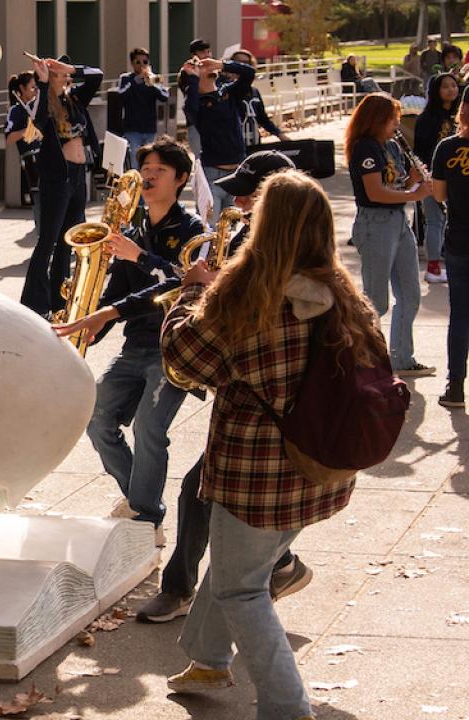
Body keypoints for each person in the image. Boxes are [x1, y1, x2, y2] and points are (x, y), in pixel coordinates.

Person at [159, 170, 386, 720]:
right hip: (322, 464)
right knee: (242, 565)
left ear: (265, 224)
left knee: (242, 588)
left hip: (255, 474)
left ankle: (287, 705)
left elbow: (183, 361)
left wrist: (192, 290)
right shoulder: (341, 291)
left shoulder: (248, 294)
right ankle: (210, 659)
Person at [131, 152, 314, 623]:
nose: (236, 197)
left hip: (270, 408)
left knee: (205, 492)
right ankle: (276, 570)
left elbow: (224, 329)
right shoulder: (250, 239)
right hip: (260, 403)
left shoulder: (284, 257)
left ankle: (185, 594)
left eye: (247, 190)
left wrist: (199, 291)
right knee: (217, 498)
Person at [54, 136, 204, 546]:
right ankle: (142, 502)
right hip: (134, 346)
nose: (150, 176)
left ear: (182, 179)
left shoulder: (194, 231)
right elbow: (117, 291)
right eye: (147, 170)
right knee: (96, 415)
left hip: (172, 347)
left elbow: (179, 282)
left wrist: (139, 257)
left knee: (149, 426)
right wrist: (86, 322)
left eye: (160, 170)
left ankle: (145, 517)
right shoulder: (133, 229)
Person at [345, 93, 437, 377]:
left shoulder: (392, 146)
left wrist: (414, 178)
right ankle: (357, 357)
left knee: (410, 294)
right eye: (392, 118)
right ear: (376, 120)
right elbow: (375, 192)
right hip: (375, 223)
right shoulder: (365, 149)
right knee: (376, 300)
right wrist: (413, 194)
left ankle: (402, 358)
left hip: (398, 221)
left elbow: (396, 183)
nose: (397, 124)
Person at [19, 54, 104, 319]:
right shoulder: (40, 101)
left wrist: (70, 67)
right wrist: (44, 82)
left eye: (67, 74)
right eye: (62, 74)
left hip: (78, 175)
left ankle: (59, 299)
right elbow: (41, 122)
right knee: (48, 241)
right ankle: (34, 302)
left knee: (68, 241)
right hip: (57, 178)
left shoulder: (74, 98)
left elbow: (96, 75)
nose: (67, 78)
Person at [181, 54, 255, 219]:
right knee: (210, 231)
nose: (204, 66)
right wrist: (192, 78)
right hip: (212, 176)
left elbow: (249, 73)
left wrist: (221, 64)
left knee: (229, 232)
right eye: (198, 67)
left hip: (236, 175)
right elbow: (190, 108)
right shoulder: (197, 103)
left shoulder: (229, 93)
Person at [430, 94, 469, 407]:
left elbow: (439, 195)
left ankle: (455, 385)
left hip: (459, 238)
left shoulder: (446, 147)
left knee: (460, 314)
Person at [414, 73, 460, 283]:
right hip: (434, 177)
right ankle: (433, 267)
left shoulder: (460, 116)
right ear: (435, 91)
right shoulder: (427, 119)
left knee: (451, 221)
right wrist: (427, 177)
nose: (451, 89)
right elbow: (420, 151)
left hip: (459, 178)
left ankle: (448, 261)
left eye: (453, 85)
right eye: (445, 87)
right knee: (435, 220)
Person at [6, 69, 44, 237]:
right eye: (32, 87)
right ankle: (42, 234)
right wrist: (26, 131)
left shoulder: (38, 106)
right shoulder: (16, 110)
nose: (35, 91)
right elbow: (8, 138)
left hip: (46, 155)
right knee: (39, 199)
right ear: (21, 88)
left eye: (37, 88)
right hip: (31, 157)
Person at [117, 47, 169, 169]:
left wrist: (153, 84)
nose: (142, 65)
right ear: (132, 63)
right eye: (138, 62)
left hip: (149, 128)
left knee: (149, 161)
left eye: (145, 62)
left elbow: (164, 97)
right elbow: (121, 95)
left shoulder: (153, 79)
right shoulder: (126, 79)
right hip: (132, 128)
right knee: (135, 161)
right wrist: (136, 80)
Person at [227, 49, 290, 148]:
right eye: (238, 62)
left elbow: (262, 118)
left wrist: (280, 134)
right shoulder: (226, 91)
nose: (242, 66)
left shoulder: (254, 92)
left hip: (254, 142)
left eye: (246, 63)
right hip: (234, 145)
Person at [178, 39, 213, 156]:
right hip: (196, 123)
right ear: (194, 55)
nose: (207, 55)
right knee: (200, 159)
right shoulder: (187, 71)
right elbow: (191, 98)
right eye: (203, 52)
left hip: (213, 120)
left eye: (209, 51)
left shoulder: (213, 69)